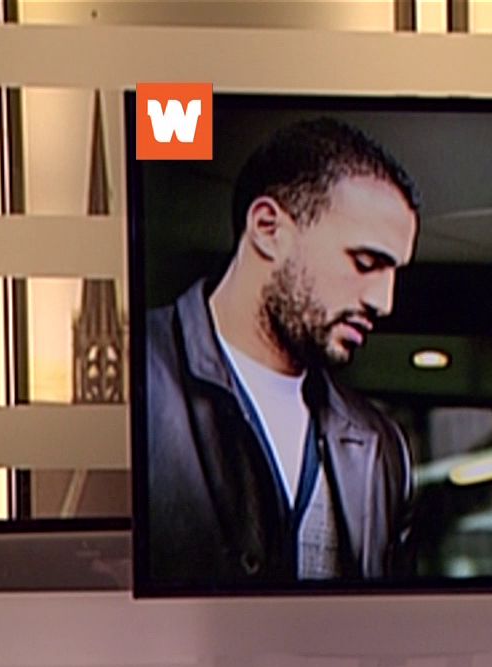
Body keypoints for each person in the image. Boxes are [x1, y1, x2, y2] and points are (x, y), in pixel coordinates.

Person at [144, 118, 419, 586]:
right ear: (268, 228)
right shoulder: (139, 374)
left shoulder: (381, 446)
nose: (384, 301)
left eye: (394, 273)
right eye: (365, 262)